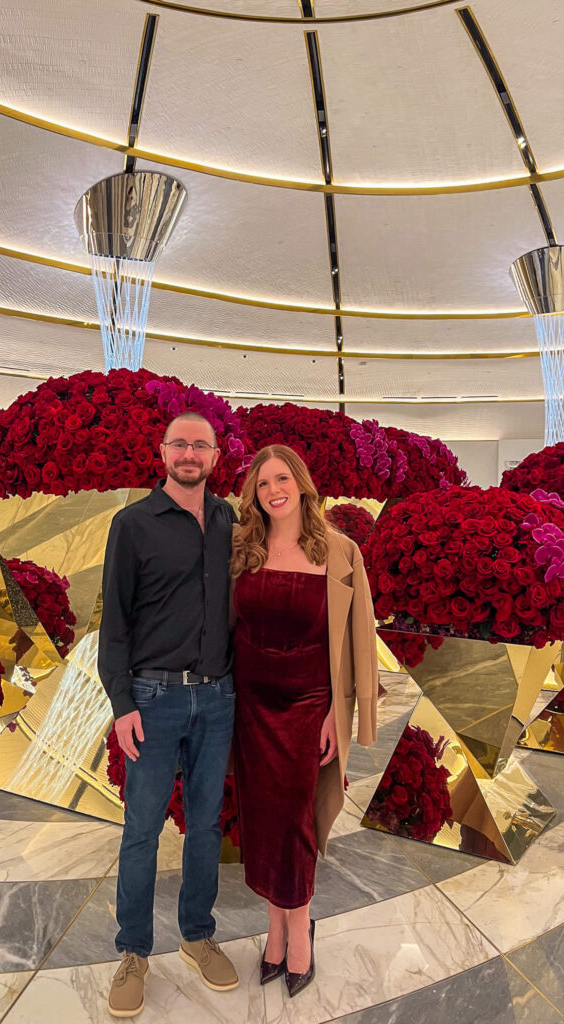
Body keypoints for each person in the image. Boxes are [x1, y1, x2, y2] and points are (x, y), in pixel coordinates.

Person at [98, 411, 239, 1019]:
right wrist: (121, 704)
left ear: (215, 454)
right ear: (162, 452)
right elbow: (116, 621)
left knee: (206, 824)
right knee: (141, 831)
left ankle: (197, 934)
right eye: (179, 443)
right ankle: (133, 952)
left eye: (199, 444)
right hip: (152, 701)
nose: (189, 452)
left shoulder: (232, 520)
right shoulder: (131, 524)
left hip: (217, 698)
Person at [230, 444, 378, 998]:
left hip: (307, 707)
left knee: (298, 824)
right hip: (249, 707)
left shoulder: (340, 552)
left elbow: (359, 637)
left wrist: (339, 718)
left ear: (302, 484)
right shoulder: (242, 549)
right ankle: (274, 926)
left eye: (282, 478)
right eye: (263, 482)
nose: (274, 490)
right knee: (264, 822)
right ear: (254, 494)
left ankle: (298, 930)